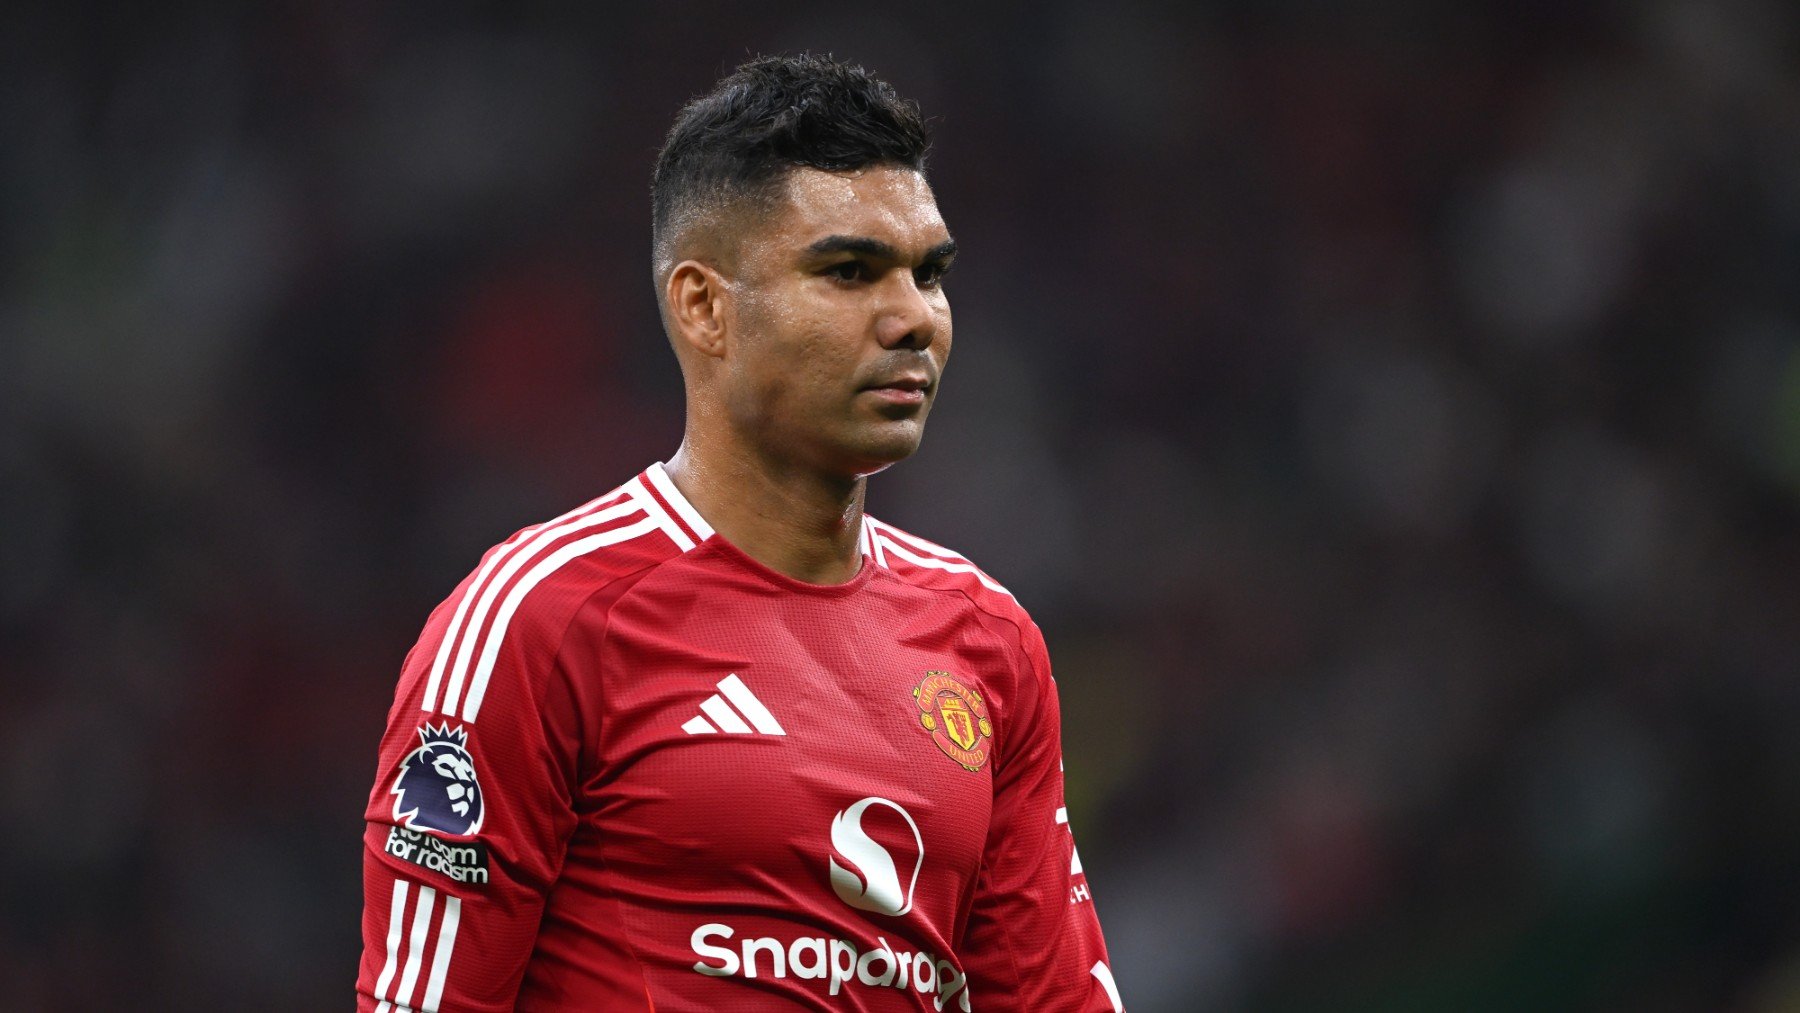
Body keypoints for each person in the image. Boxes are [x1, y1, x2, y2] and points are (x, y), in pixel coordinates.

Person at [356, 53, 1121, 1012]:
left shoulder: (988, 640)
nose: (913, 319)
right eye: (849, 271)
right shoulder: (537, 619)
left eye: (930, 275)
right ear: (704, 306)